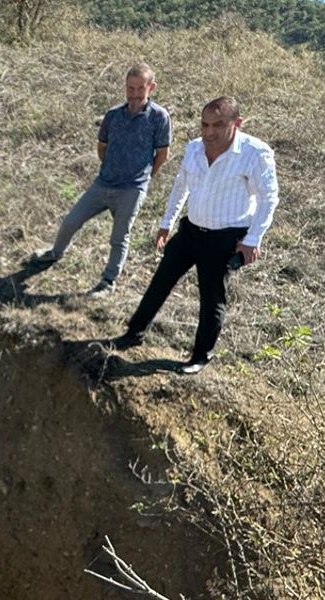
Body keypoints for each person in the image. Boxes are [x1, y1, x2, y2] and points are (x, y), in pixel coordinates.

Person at [108, 96, 279, 375]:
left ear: (237, 123)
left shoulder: (254, 154)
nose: (209, 132)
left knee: (211, 299)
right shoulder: (194, 149)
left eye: (218, 125)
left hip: (224, 238)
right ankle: (134, 333)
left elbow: (268, 199)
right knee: (160, 281)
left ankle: (201, 356)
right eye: (205, 124)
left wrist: (252, 240)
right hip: (190, 231)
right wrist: (167, 223)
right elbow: (181, 186)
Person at [37, 63, 171, 297]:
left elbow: (162, 154)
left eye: (141, 88)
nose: (135, 93)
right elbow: (102, 147)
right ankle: (54, 253)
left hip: (132, 188)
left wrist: (146, 177)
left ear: (152, 87)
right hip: (104, 183)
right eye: (130, 88)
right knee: (71, 221)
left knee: (119, 237)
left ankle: (108, 282)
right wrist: (110, 168)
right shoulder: (113, 115)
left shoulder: (159, 117)